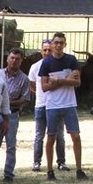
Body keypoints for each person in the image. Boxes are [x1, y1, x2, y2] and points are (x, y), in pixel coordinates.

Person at [40, 32, 86, 180]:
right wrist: (66, 79)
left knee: (76, 136)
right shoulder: (46, 63)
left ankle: (79, 169)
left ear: (65, 44)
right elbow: (45, 87)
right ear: (52, 44)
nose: (58, 45)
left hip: (69, 104)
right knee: (51, 137)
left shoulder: (71, 60)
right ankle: (49, 170)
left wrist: (58, 81)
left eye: (61, 42)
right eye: (56, 42)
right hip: (52, 105)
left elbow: (77, 83)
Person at [28, 39, 67, 172]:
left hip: (57, 105)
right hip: (41, 105)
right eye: (44, 50)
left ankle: (61, 162)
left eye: (49, 50)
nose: (47, 52)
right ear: (41, 51)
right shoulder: (35, 67)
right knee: (40, 135)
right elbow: (31, 84)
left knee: (59, 135)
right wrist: (40, 93)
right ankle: (37, 162)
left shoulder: (59, 65)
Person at [0, 48, 30, 182]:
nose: (14, 61)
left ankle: (8, 173)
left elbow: (25, 99)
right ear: (7, 59)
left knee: (11, 145)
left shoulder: (24, 79)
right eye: (12, 58)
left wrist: (7, 102)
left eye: (17, 59)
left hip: (12, 115)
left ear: (21, 61)